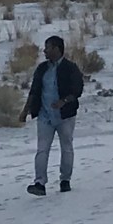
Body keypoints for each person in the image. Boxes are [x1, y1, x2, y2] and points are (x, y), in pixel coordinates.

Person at [21, 35, 84, 196]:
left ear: (57, 49)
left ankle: (65, 180)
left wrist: (64, 101)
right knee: (42, 149)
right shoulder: (42, 69)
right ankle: (39, 183)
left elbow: (77, 89)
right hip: (45, 116)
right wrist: (25, 110)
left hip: (65, 116)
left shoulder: (70, 68)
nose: (45, 51)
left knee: (66, 147)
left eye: (48, 47)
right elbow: (34, 90)